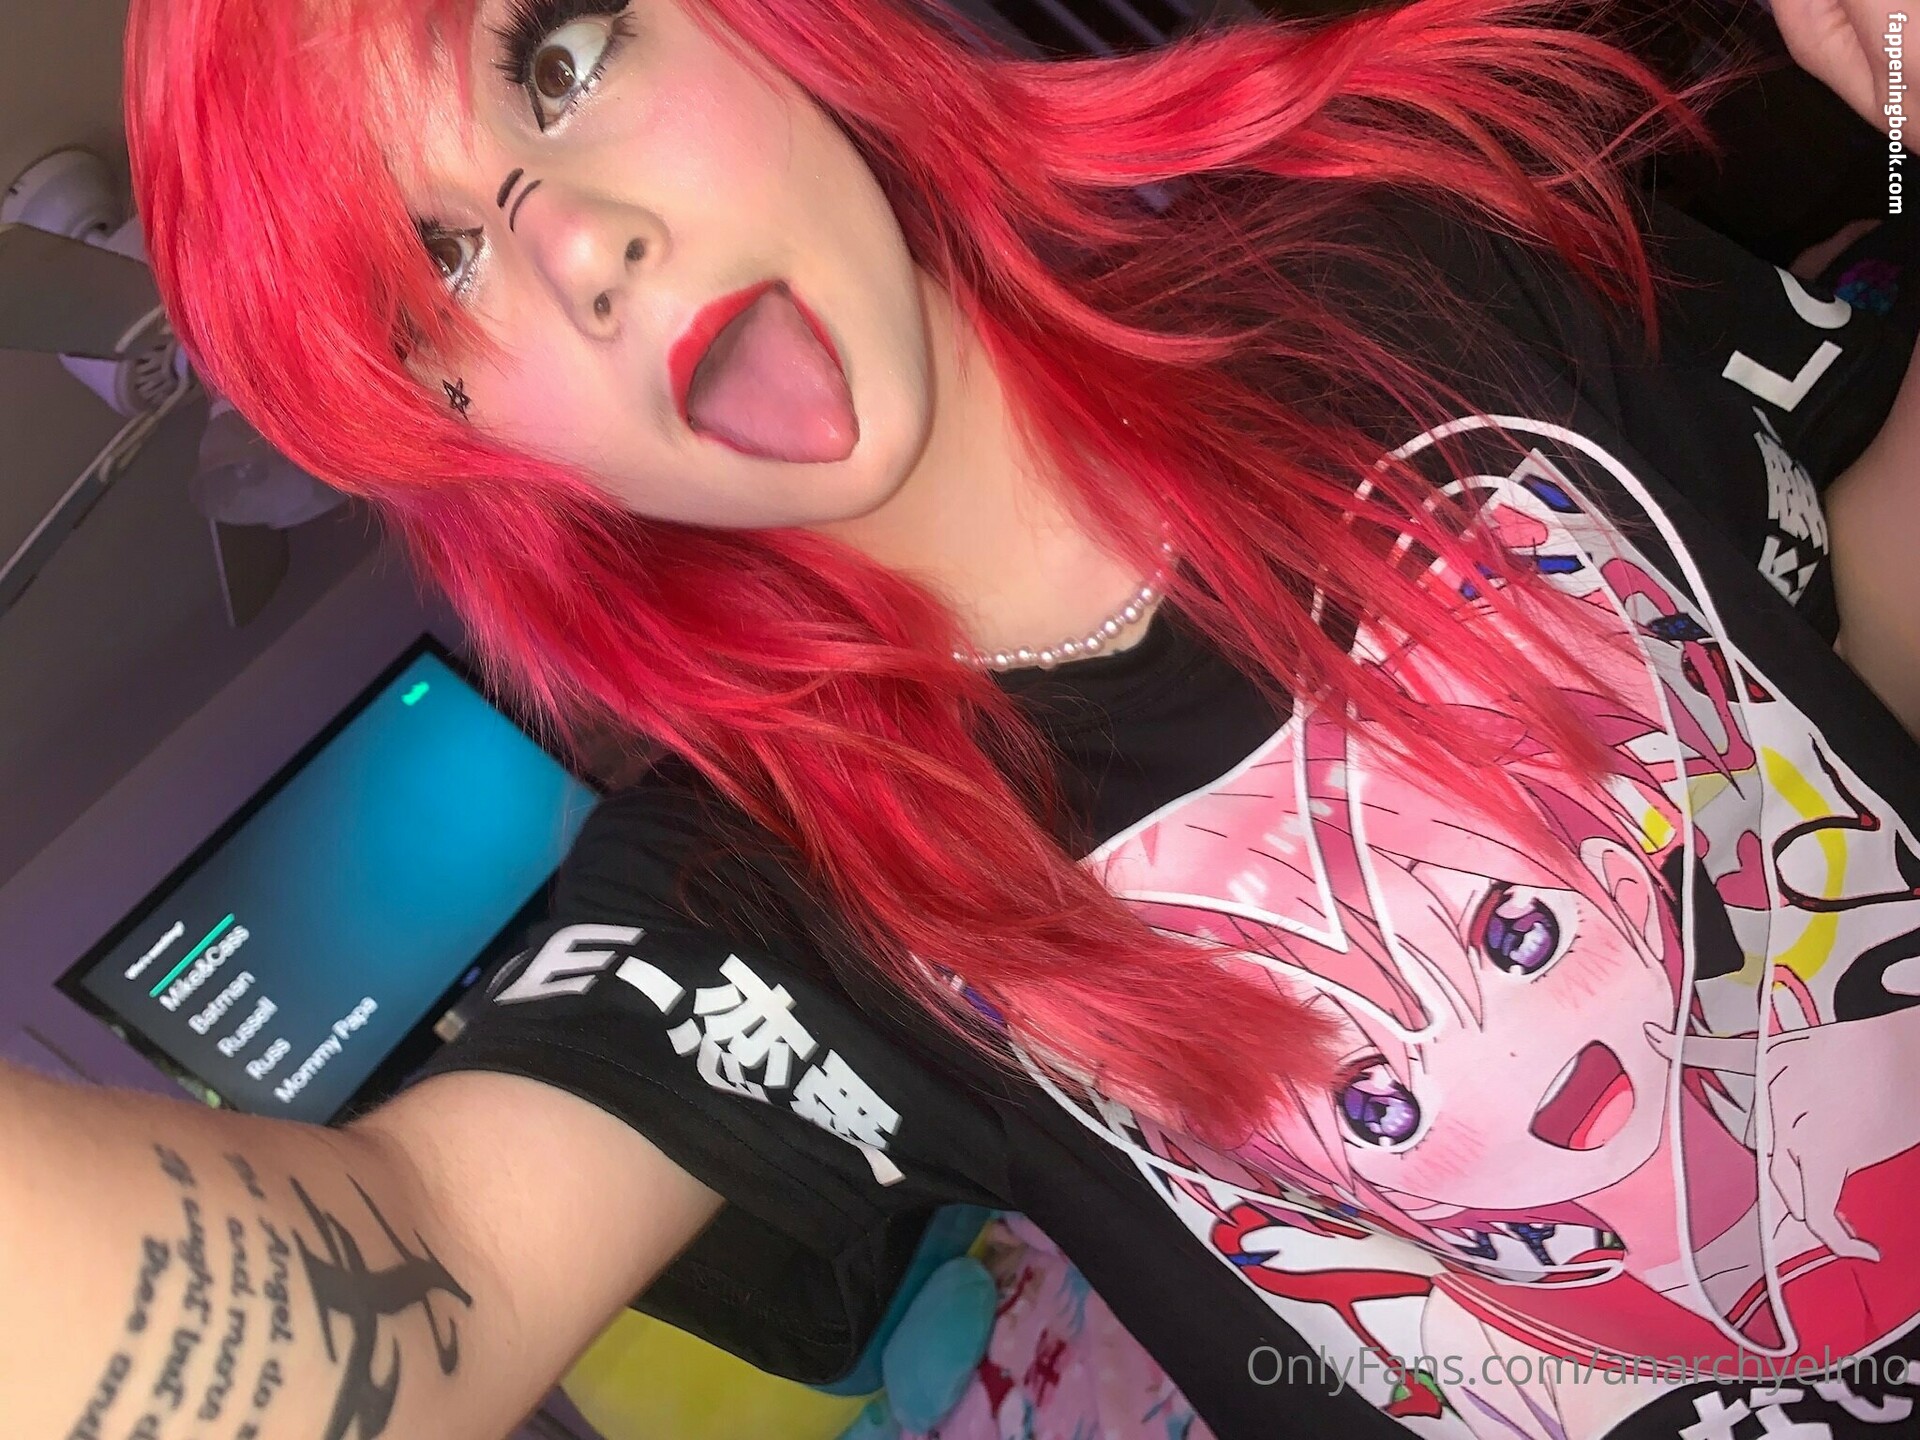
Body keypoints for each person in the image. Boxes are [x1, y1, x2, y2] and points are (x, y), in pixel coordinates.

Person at [8, 0, 1920, 1437]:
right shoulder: (784, 897)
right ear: (465, 428)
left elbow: (1839, 647)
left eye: (561, 56)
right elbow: (435, 1257)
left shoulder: (1407, 248)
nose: (576, 246)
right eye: (434, 271)